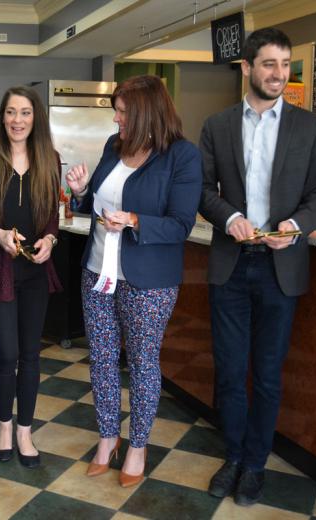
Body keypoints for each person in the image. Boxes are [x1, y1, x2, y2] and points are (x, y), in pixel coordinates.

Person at [199, 28, 316, 506]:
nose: (279, 74)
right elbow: (203, 190)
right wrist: (230, 217)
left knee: (269, 374)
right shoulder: (216, 126)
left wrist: (295, 224)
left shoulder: (311, 126)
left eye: (285, 64)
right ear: (248, 67)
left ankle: (255, 465)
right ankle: (233, 456)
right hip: (230, 266)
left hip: (281, 267)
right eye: (269, 64)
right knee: (231, 373)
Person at [66, 75, 201, 487]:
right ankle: (108, 439)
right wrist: (80, 191)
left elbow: (182, 224)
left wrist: (136, 221)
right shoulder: (113, 146)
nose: (116, 118)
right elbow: (96, 204)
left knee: (142, 363)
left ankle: (138, 445)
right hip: (97, 273)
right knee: (103, 359)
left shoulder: (182, 156)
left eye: (122, 111)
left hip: (149, 281)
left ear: (144, 111)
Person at [0, 86, 61, 468]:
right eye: (11, 112)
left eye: (25, 113)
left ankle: (25, 429)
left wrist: (51, 239)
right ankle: (5, 426)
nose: (17, 120)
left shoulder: (51, 160)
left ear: (35, 118)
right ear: (2, 117)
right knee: (6, 354)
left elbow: (53, 217)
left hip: (36, 274)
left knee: (30, 355)